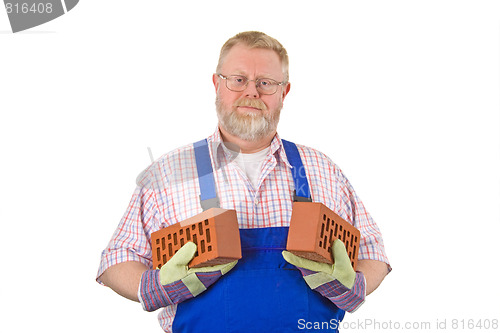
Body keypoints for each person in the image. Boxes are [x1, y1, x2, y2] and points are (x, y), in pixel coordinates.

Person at [96, 31, 391, 332]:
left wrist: (355, 282)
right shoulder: (168, 172)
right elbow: (116, 261)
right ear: (217, 84)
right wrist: (155, 285)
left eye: (265, 83)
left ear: (284, 92)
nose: (252, 92)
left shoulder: (322, 170)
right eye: (238, 79)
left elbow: (372, 252)